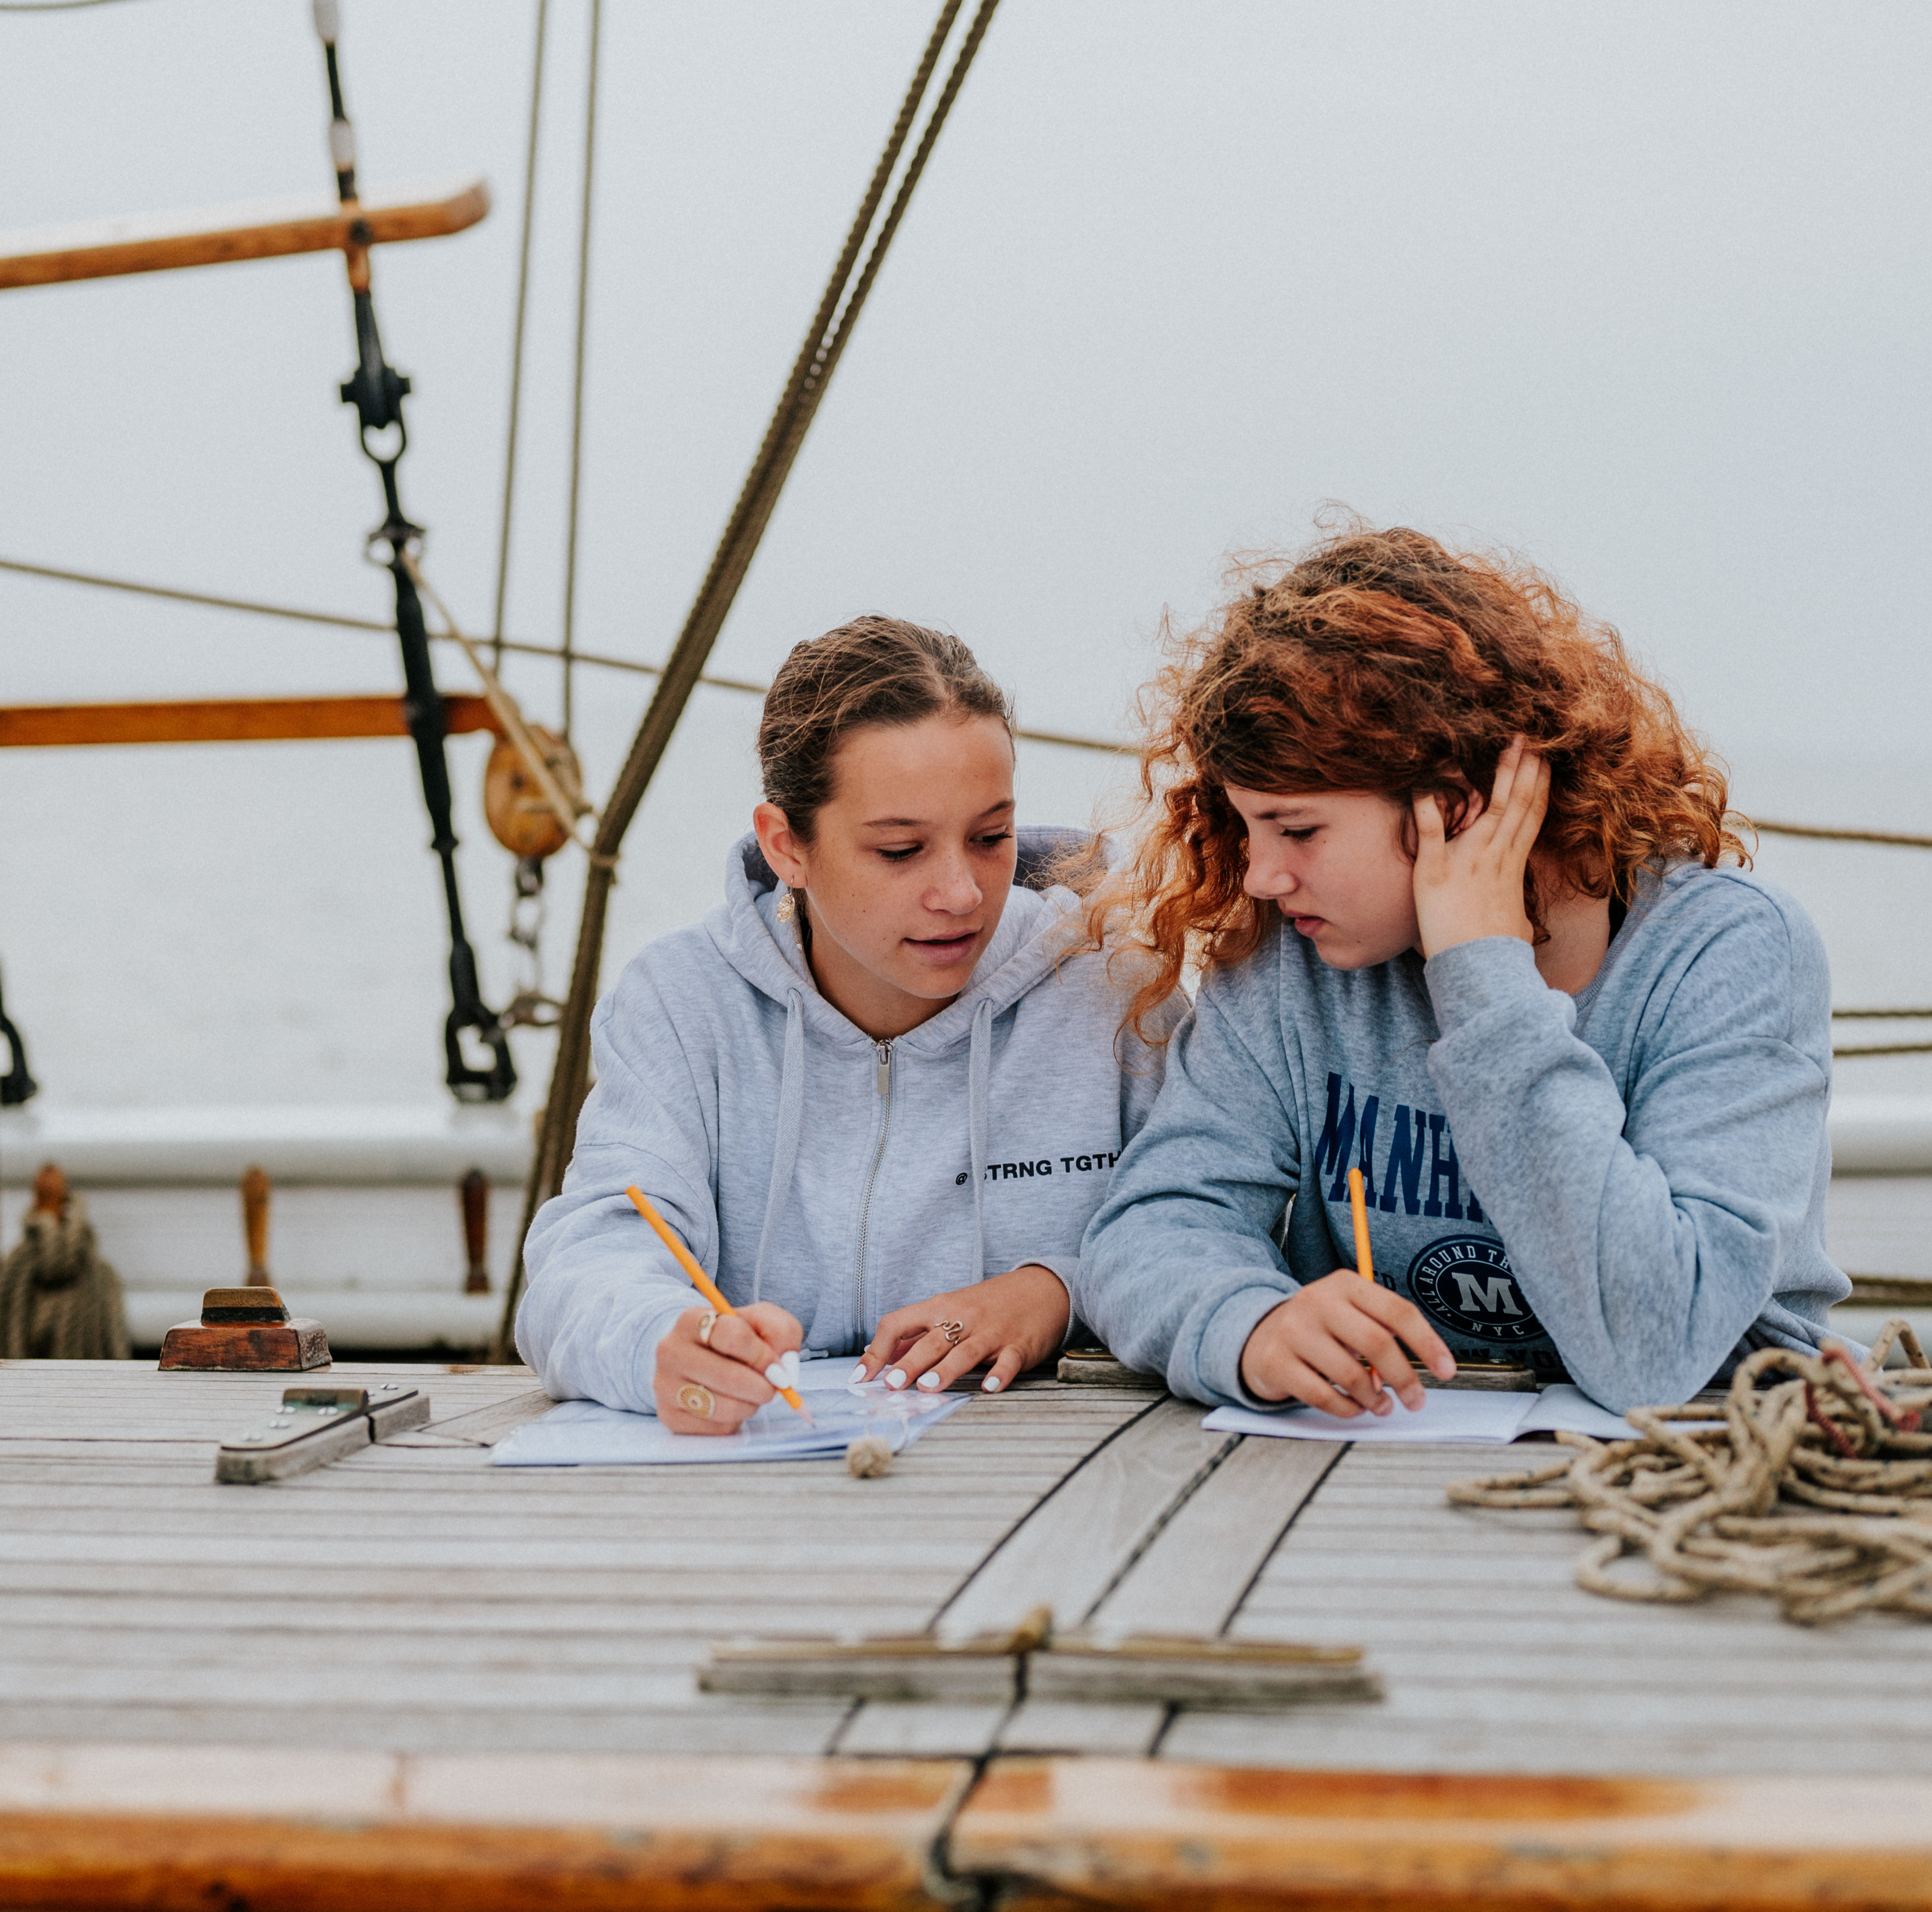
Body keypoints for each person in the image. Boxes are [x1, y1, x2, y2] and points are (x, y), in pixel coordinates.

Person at [1076, 523, 1848, 1417]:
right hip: (1365, 1479)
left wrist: (1483, 975)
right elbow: (1150, 1225)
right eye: (1250, 829)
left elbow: (1656, 1348)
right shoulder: (1297, 958)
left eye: (1298, 831)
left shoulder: (1729, 954)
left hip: (1691, 1473)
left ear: (1451, 804)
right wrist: (1246, 1326)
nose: (1260, 875)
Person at [513, 615, 1169, 1432]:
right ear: (787, 846)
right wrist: (660, 1341)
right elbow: (591, 1257)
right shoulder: (680, 1001)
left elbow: (1207, 1232)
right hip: (756, 1493)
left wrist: (1056, 1293)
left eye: (991, 837)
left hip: (1060, 1489)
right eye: (901, 850)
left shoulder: (1124, 995)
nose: (962, 892)